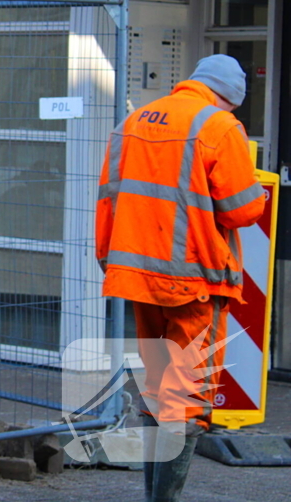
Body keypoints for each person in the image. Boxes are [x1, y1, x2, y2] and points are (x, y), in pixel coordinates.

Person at [96, 54, 265, 502]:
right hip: (192, 281)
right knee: (186, 397)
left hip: (136, 275)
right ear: (229, 98)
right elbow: (243, 209)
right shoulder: (219, 127)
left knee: (156, 387)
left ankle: (154, 495)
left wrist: (108, 259)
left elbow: (109, 197)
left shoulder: (134, 121)